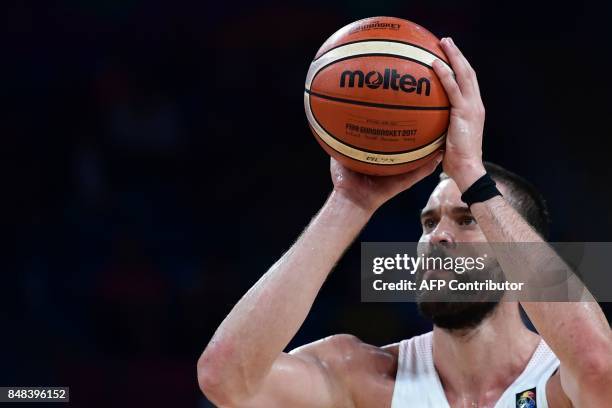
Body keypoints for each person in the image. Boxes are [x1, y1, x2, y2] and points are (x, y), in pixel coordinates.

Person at [197, 37, 611, 407]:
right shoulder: (365, 379)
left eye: (467, 219)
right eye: (428, 223)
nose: (437, 237)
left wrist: (469, 172)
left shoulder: (558, 384)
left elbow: (599, 367)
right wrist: (349, 203)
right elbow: (226, 380)